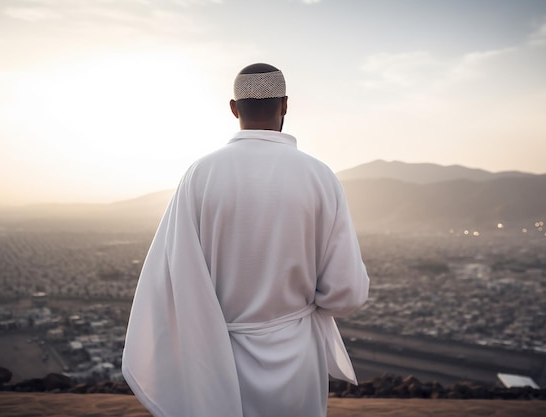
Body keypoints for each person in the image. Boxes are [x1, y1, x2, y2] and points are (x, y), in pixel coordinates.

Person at [122, 63, 369, 417]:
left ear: (234, 108)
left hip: (216, 361)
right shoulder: (319, 176)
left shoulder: (200, 175)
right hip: (297, 362)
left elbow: (171, 278)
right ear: (285, 105)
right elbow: (347, 292)